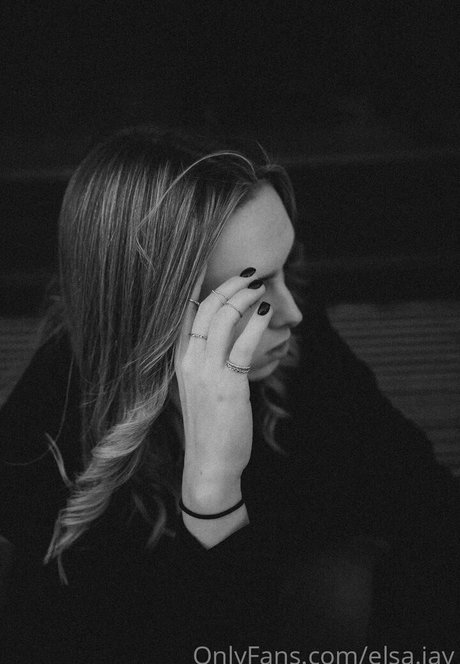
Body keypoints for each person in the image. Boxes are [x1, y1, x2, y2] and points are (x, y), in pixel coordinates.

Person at [0, 126, 459, 662]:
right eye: (252, 288)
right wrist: (212, 486)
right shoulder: (44, 436)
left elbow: (420, 493)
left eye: (285, 268)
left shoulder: (293, 343)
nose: (292, 313)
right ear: (157, 311)